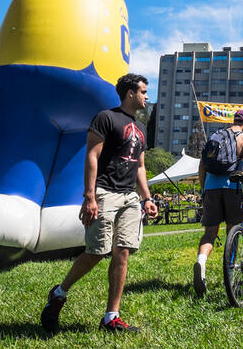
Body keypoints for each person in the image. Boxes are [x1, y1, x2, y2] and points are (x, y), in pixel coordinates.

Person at [40, 73, 157, 333]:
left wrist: (147, 198)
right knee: (97, 251)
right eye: (144, 92)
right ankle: (59, 293)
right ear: (130, 93)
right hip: (105, 192)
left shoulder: (140, 128)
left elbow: (140, 166)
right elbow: (92, 156)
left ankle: (111, 317)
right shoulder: (105, 118)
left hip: (130, 197)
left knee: (123, 251)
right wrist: (89, 196)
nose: (147, 96)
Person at [193, 110, 243, 297]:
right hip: (233, 187)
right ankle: (231, 272)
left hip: (211, 188)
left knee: (209, 233)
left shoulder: (215, 136)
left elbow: (202, 165)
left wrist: (204, 190)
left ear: (234, 120)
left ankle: (201, 261)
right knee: (234, 231)